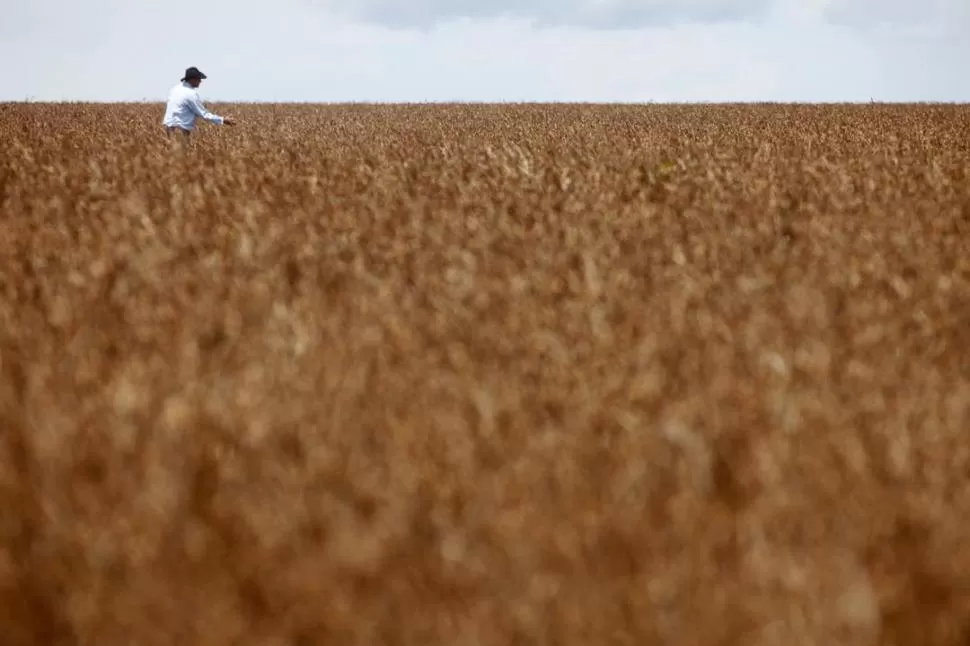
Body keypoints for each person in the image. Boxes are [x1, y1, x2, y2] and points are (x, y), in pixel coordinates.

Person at [162, 66, 236, 136]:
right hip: (180, 130)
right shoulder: (190, 94)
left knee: (170, 148)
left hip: (169, 129)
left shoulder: (175, 89)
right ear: (192, 79)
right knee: (180, 149)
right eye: (199, 79)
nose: (200, 81)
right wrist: (223, 120)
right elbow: (204, 114)